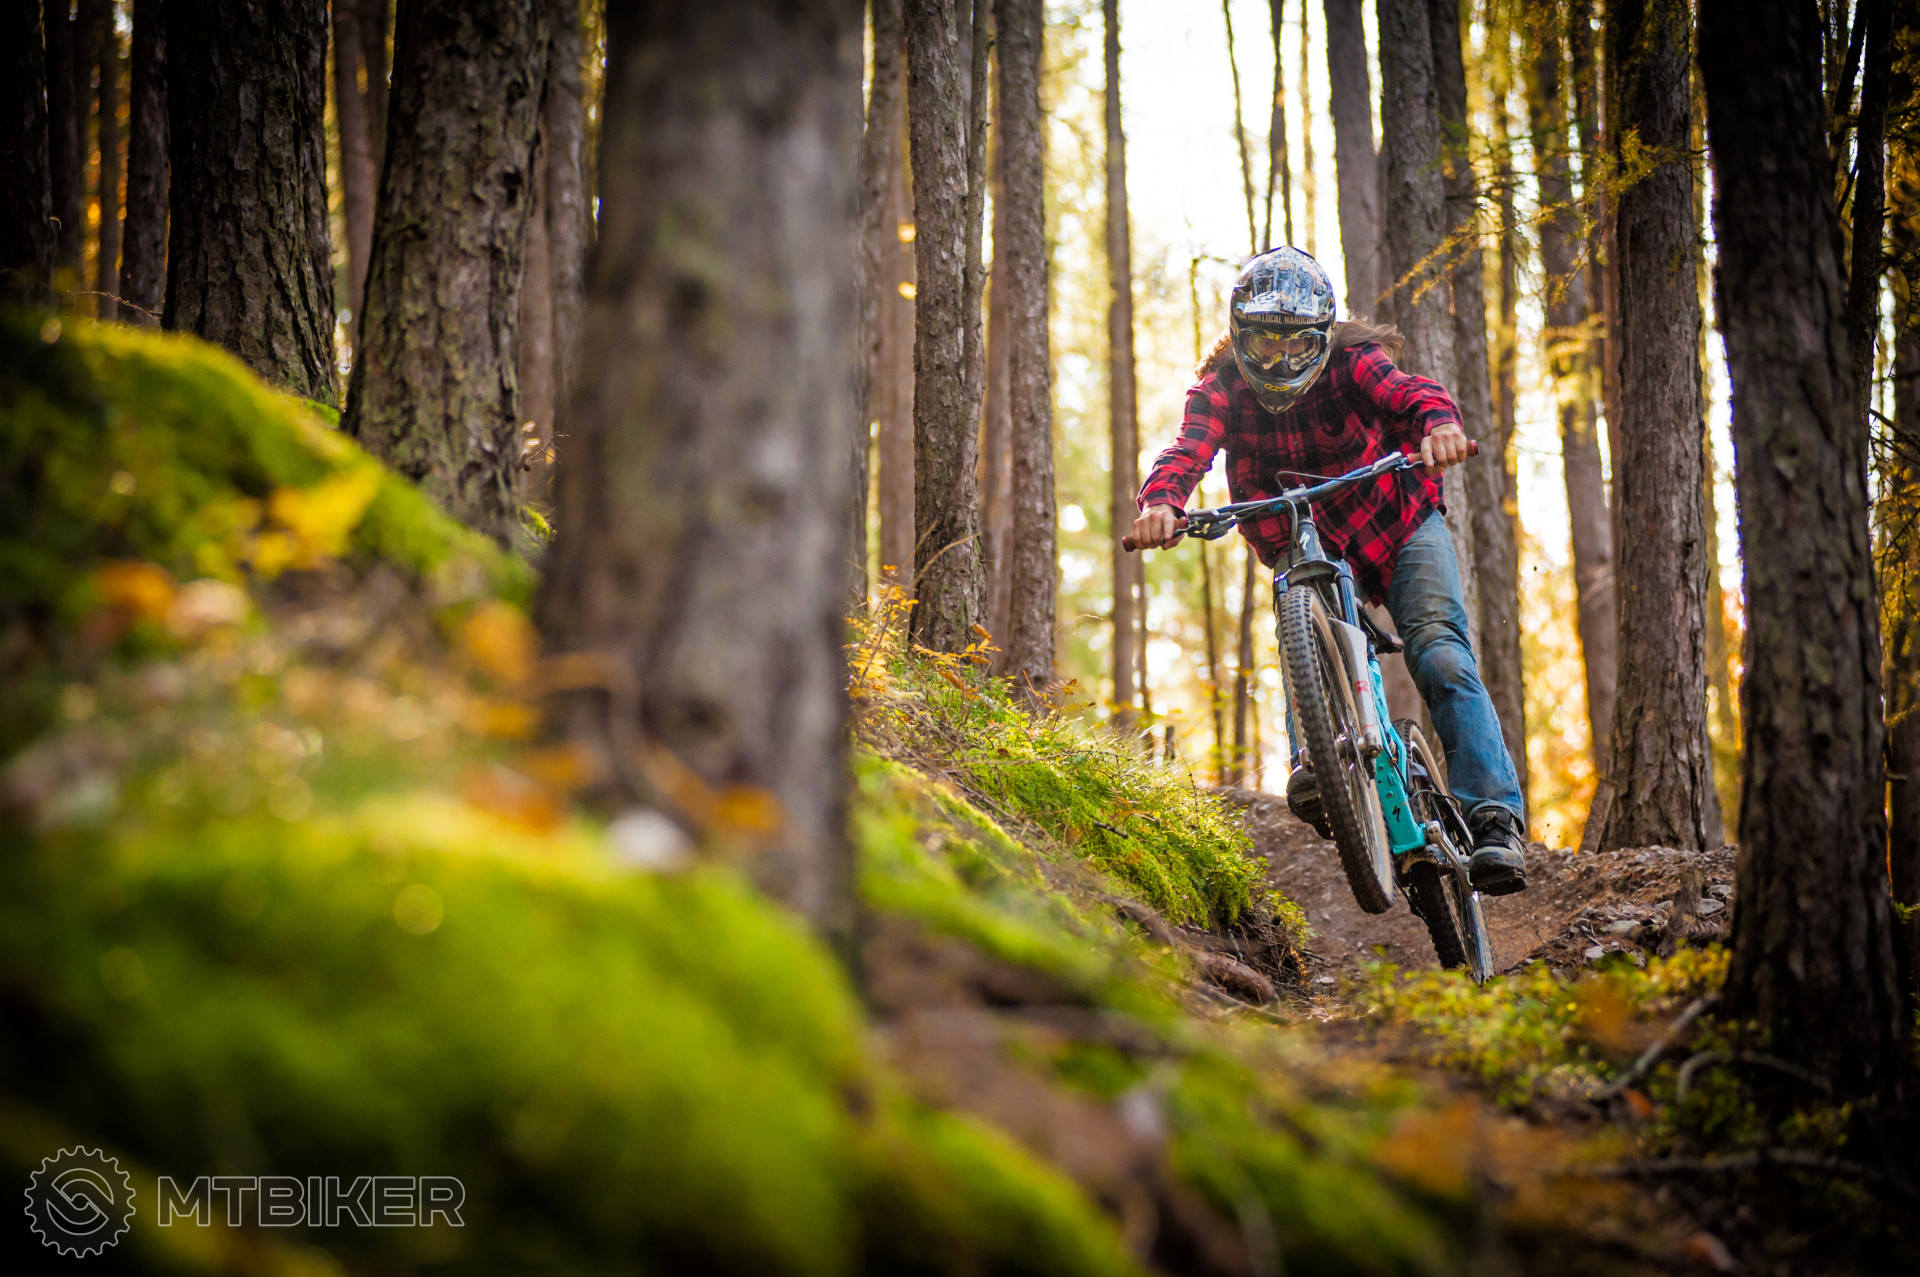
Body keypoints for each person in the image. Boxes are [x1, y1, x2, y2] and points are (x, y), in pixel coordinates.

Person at [1128, 247, 1528, 895]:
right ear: (1240, 335)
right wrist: (1161, 503)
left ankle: (1494, 820)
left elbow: (1411, 394)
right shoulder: (1221, 388)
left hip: (1396, 520)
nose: (1280, 359)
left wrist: (1439, 426)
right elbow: (1185, 452)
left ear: (1322, 336)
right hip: (1300, 534)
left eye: (1295, 343)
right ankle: (1319, 760)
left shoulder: (1353, 360)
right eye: (1265, 342)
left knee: (1439, 653)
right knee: (1302, 625)